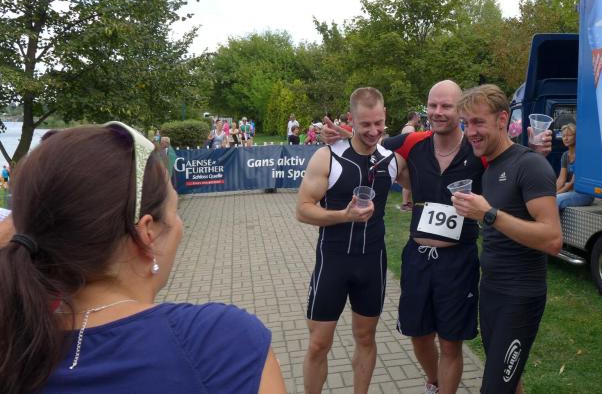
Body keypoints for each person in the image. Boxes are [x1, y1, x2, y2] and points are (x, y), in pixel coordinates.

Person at [0, 122, 286, 394]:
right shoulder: (221, 342)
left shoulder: (13, 347)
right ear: (147, 232)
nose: (179, 225)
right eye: (175, 211)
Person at [322, 81, 553, 394]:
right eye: (432, 105)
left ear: (460, 111)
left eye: (446, 106)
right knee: (418, 335)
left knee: (451, 342)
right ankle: (434, 381)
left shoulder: (478, 149)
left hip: (459, 260)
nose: (438, 112)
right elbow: (372, 140)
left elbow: (509, 154)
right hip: (418, 257)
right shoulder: (413, 142)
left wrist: (537, 149)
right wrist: (343, 136)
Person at [296, 87, 408, 394]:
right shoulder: (328, 156)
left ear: (386, 118)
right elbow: (303, 210)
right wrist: (343, 215)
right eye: (365, 124)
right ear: (351, 119)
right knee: (319, 343)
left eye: (378, 123)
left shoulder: (392, 160)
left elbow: (430, 171)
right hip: (333, 260)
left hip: (372, 262)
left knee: (366, 338)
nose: (373, 131)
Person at [452, 84, 562, 394]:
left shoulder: (530, 165)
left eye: (478, 122)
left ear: (502, 119)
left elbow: (553, 239)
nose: (470, 131)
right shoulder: (491, 168)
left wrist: (488, 214)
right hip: (491, 291)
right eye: (466, 123)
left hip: (520, 297)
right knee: (509, 384)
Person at [556, 123, 593, 210]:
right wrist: (552, 193)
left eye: (569, 135)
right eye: (563, 136)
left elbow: (573, 183)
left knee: (555, 201)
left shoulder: (582, 154)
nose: (565, 138)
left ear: (577, 136)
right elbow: (561, 179)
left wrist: (556, 194)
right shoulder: (565, 155)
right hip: (570, 190)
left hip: (584, 194)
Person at [399, 112, 420, 212]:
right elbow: (410, 144)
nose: (419, 119)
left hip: (405, 156)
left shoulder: (406, 127)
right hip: (408, 156)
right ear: (414, 118)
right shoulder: (410, 128)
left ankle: (408, 202)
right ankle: (405, 203)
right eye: (418, 117)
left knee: (409, 180)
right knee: (408, 180)